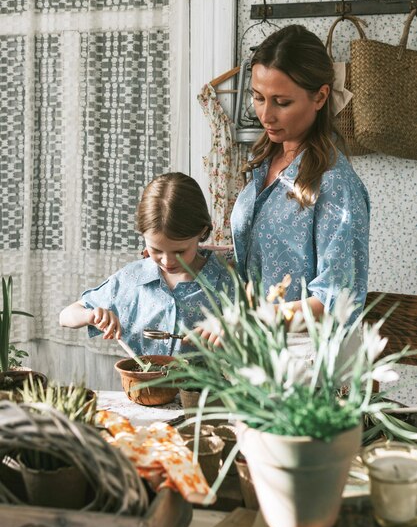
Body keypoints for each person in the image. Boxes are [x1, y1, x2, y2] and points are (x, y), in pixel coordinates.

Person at [231, 24, 370, 335]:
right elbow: (265, 253)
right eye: (258, 97)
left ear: (320, 97)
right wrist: (184, 252)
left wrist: (249, 321)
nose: (265, 115)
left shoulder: (335, 185)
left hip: (304, 365)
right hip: (255, 354)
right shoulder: (265, 162)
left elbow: (336, 303)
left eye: (282, 102)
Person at [59, 172, 233, 355]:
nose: (167, 261)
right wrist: (91, 316)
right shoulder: (131, 279)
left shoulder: (225, 281)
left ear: (202, 232)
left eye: (179, 251)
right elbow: (66, 315)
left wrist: (231, 329)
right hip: (139, 383)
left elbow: (256, 333)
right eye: (156, 250)